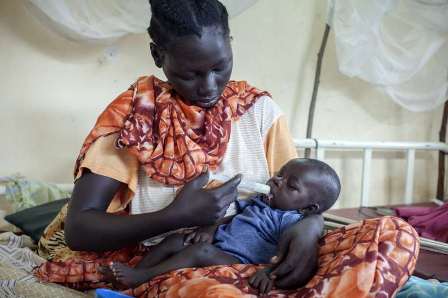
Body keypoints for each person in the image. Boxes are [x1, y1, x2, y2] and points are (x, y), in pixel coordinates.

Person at [34, 1, 419, 297]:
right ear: (157, 56)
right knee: (214, 292)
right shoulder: (134, 119)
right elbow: (80, 230)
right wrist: (174, 216)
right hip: (177, 259)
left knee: (395, 237)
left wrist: (311, 228)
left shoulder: (259, 111)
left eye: (221, 66)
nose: (209, 86)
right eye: (190, 73)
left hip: (263, 253)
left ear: (231, 46)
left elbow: (298, 197)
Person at [99, 158, 341, 294]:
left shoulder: (292, 222)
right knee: (176, 240)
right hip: (219, 243)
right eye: (279, 174)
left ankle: (139, 277)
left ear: (308, 208)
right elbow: (231, 218)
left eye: (290, 185)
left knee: (198, 252)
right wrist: (209, 229)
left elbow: (284, 257)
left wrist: (268, 274)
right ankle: (127, 284)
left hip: (238, 261)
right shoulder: (260, 201)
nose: (276, 181)